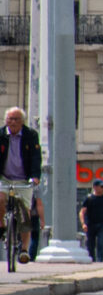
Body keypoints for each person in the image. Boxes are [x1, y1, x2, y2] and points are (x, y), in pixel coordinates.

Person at [0, 105, 40, 269]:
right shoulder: (1, 135)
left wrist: (35, 176)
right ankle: (2, 225)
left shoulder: (30, 135)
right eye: (10, 119)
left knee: (25, 212)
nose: (13, 122)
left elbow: (36, 157)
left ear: (22, 121)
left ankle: (24, 249)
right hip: (4, 178)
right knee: (0, 199)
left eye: (17, 119)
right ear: (5, 120)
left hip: (24, 179)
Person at [80, 183, 103, 262]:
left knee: (101, 243)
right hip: (90, 224)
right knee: (90, 244)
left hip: (101, 225)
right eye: (101, 186)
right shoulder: (89, 198)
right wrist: (83, 224)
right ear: (95, 187)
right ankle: (92, 260)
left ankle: (100, 261)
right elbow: (82, 212)